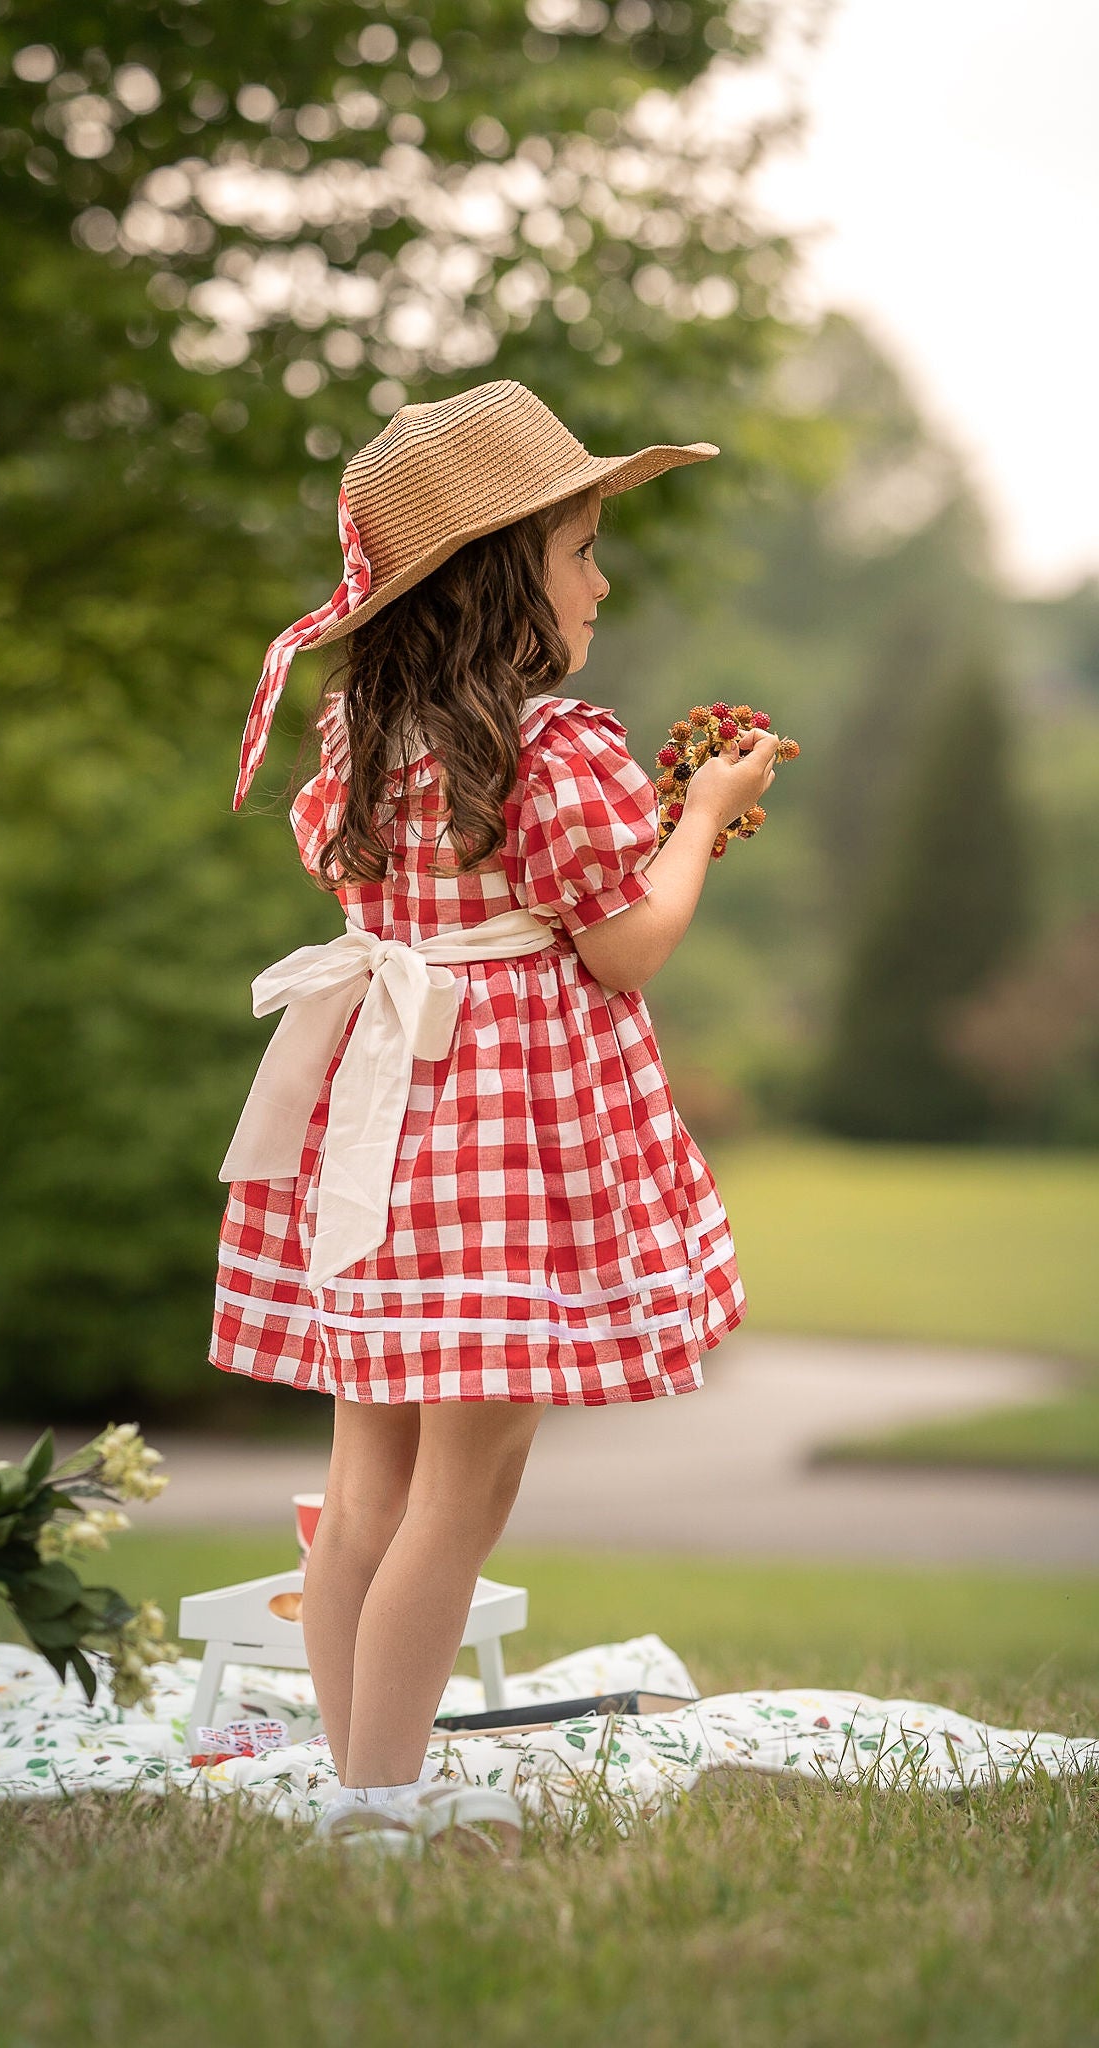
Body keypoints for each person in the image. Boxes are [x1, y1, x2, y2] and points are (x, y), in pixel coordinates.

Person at [210, 379, 779, 1854]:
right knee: (465, 1491)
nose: (601, 578)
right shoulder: (560, 749)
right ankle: (382, 1803)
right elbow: (624, 945)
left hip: (380, 1130)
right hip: (499, 1145)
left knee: (366, 1479)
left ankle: (360, 1777)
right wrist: (702, 820)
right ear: (501, 576)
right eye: (582, 547)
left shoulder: (362, 742)